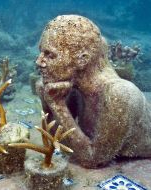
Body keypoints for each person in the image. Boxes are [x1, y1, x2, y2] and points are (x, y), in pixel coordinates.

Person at [36, 15, 151, 168]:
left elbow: (93, 159)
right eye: (41, 52)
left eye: (50, 55)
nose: (39, 61)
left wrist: (57, 104)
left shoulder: (119, 94)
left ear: (82, 60)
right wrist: (47, 102)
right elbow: (59, 138)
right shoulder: (74, 82)